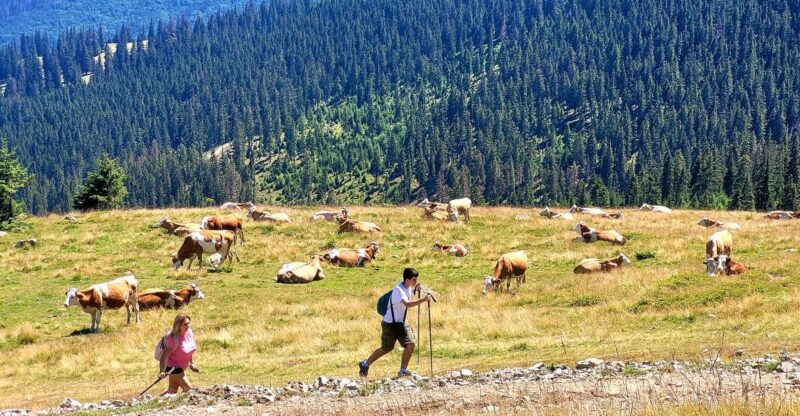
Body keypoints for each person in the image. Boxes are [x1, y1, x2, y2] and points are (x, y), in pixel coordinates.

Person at [359, 267, 432, 378]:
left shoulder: (407, 287)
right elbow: (407, 304)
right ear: (407, 280)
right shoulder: (398, 290)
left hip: (401, 322)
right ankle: (365, 364)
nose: (415, 281)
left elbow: (408, 295)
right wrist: (423, 300)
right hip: (389, 324)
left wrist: (415, 289)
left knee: (411, 344)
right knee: (386, 349)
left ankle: (402, 371)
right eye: (414, 280)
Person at [158, 313, 198, 395]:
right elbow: (164, 356)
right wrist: (162, 371)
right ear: (179, 326)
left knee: (172, 390)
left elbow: (189, 349)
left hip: (182, 368)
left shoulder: (189, 333)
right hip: (173, 368)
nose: (188, 326)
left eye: (189, 323)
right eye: (185, 324)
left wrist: (191, 363)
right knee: (188, 389)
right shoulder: (173, 340)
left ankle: (156, 400)